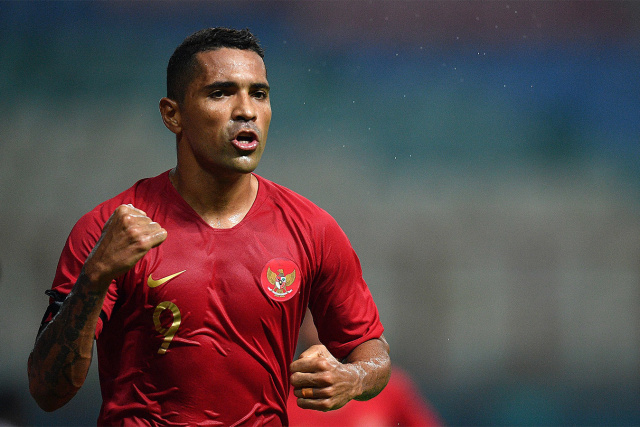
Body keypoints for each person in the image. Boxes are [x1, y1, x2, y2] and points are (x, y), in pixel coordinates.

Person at [27, 27, 390, 426]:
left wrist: (350, 379)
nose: (246, 110)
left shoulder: (312, 228)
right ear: (173, 114)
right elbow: (48, 392)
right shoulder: (112, 229)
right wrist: (93, 279)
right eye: (220, 93)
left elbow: (371, 352)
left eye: (259, 93)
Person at [287, 311, 442, 427]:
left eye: (335, 319)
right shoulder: (279, 393)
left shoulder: (392, 389)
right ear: (298, 327)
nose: (326, 329)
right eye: (316, 320)